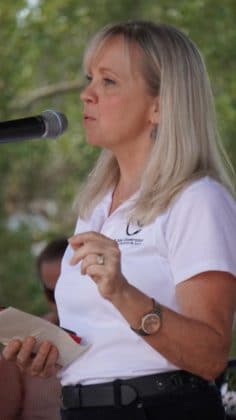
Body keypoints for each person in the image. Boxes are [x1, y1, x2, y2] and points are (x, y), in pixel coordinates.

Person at [3, 20, 236, 420]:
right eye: (89, 78)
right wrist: (51, 355)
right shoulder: (94, 206)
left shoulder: (198, 200)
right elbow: (108, 344)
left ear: (160, 105)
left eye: (108, 81)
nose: (86, 94)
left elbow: (211, 355)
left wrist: (123, 292)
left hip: (161, 409)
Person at [0, 238, 67, 420]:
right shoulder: (23, 340)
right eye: (52, 293)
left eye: (68, 290)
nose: (61, 301)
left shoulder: (114, 334)